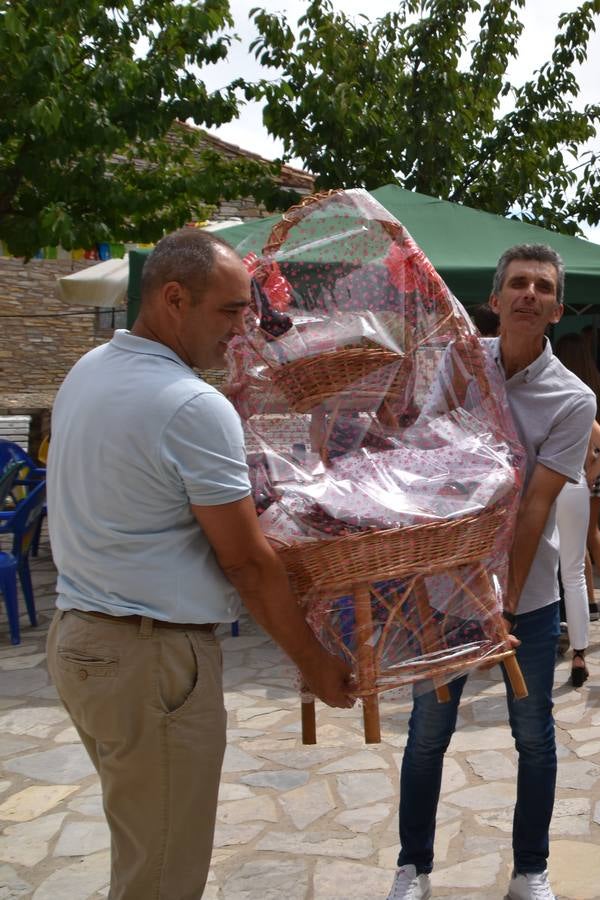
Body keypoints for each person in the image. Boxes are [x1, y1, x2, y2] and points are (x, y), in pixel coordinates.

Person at [45, 228, 355, 900]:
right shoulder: (191, 403)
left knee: (142, 847)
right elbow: (246, 562)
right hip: (148, 660)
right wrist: (316, 662)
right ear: (173, 299)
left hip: (82, 642)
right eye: (229, 312)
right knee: (162, 876)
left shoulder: (87, 371)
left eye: (248, 313)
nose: (242, 332)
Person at [388, 244, 595, 900]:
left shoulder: (573, 399)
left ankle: (530, 870)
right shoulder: (460, 362)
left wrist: (501, 597)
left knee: (533, 735)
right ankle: (413, 867)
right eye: (517, 284)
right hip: (445, 589)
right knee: (426, 734)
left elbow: (536, 505)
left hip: (525, 598)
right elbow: (426, 461)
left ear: (557, 309)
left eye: (542, 286)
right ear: (495, 299)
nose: (528, 294)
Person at [554, 332, 600, 685]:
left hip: (546, 488)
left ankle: (549, 638)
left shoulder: (546, 395)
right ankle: (579, 652)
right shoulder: (582, 397)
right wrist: (587, 475)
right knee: (574, 572)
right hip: (576, 486)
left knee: (545, 570)